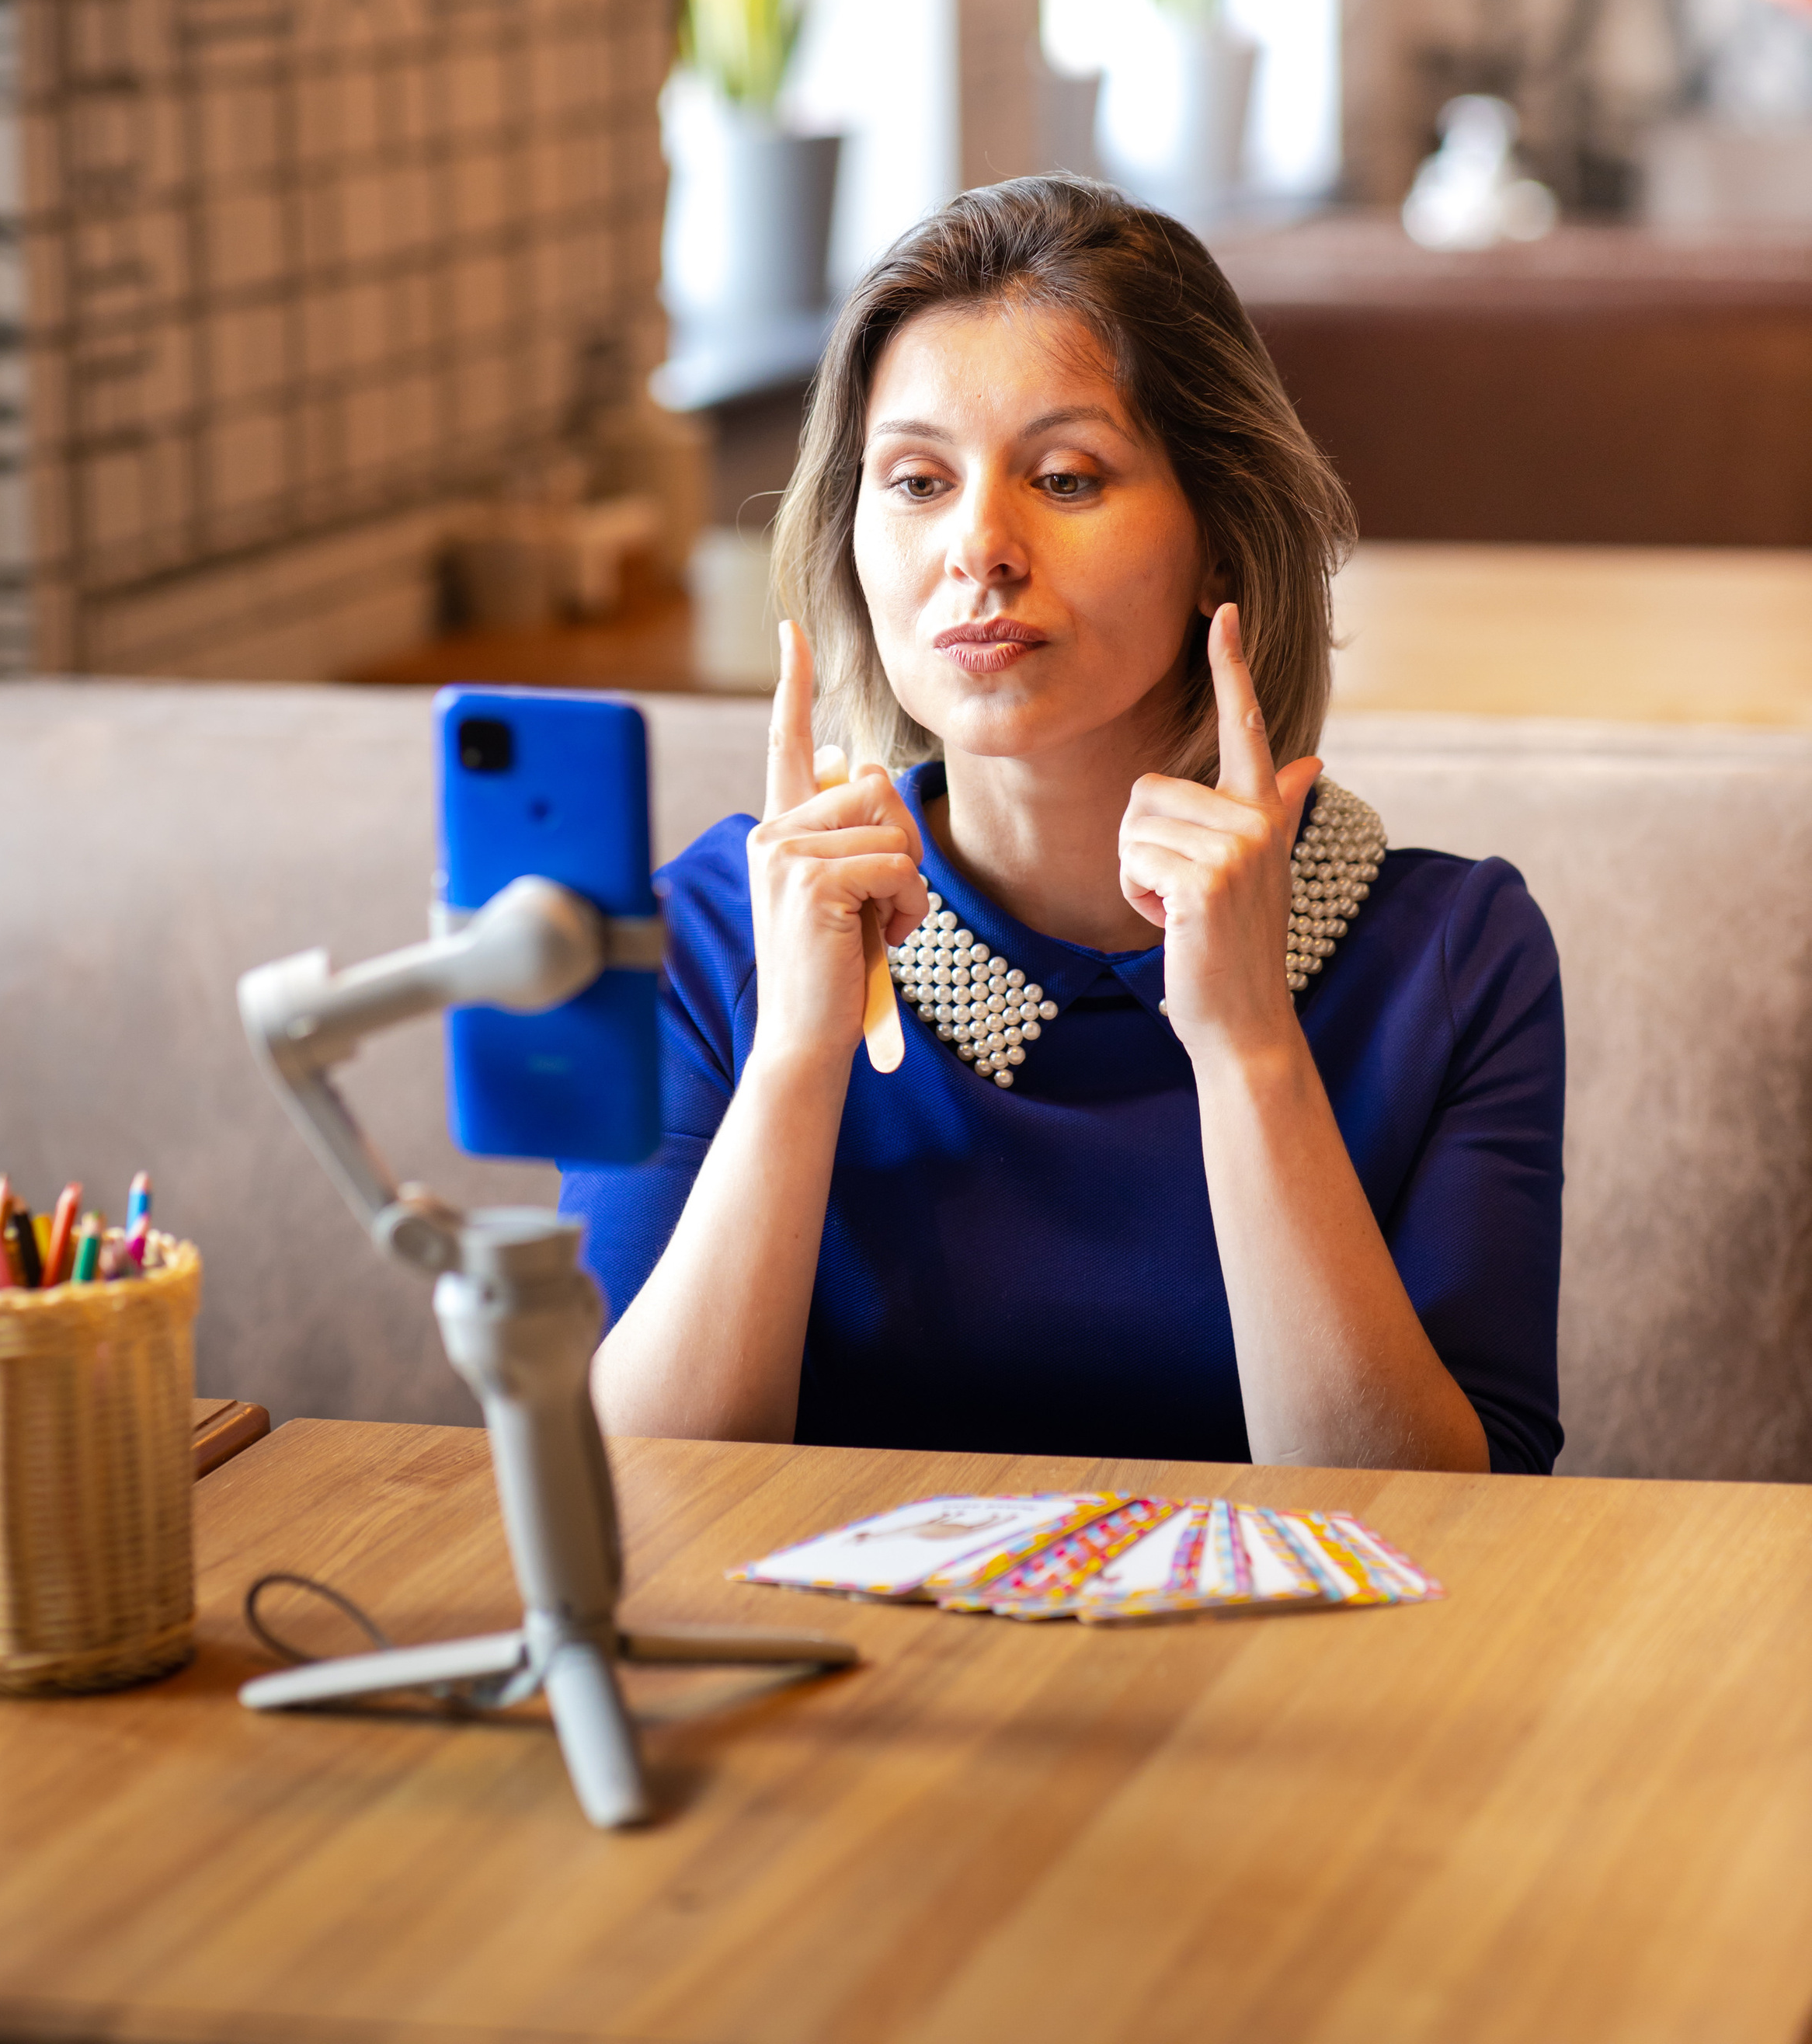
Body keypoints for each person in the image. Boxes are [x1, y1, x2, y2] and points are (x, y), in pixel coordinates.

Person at [565, 179, 1565, 1473]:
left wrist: (1250, 1046)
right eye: (917, 481)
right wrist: (801, 1054)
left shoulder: (1454, 959)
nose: (979, 545)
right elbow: (624, 1498)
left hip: (1296, 1676)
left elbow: (1453, 1523)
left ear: (1218, 543)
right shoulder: (708, 932)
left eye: (1065, 477)